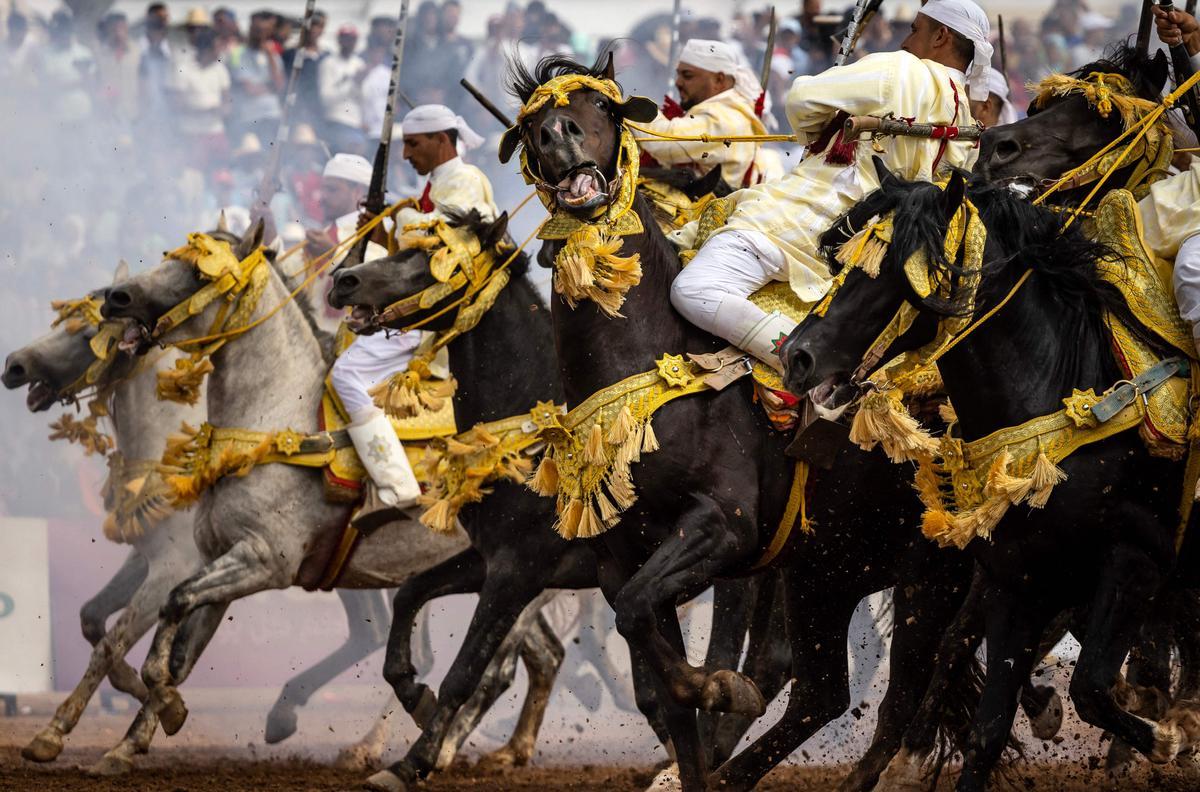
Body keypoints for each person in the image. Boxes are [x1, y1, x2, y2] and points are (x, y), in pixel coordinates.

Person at [669, 0, 989, 381]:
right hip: (859, 251)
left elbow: (802, 99)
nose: (906, 40)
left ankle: (796, 356)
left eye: (915, 29)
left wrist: (822, 128)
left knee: (693, 288)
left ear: (941, 36)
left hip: (795, 224)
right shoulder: (966, 115)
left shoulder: (901, 69)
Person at [320, 153, 422, 530]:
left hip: (404, 325)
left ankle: (395, 487)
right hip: (373, 324)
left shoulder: (399, 223)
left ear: (357, 195)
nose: (323, 196)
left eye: (332, 189)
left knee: (344, 376)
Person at [640, 39, 770, 191]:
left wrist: (629, 108)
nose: (678, 83)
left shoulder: (725, 118)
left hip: (705, 212)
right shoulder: (723, 110)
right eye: (678, 75)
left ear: (719, 80)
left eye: (687, 76)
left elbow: (664, 141)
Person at [391, 104, 496, 229]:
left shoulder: (465, 179)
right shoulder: (437, 181)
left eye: (413, 144)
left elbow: (443, 232)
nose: (405, 154)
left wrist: (402, 215)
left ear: (442, 139)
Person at [166, 27, 231, 175]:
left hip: (216, 131)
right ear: (207, 48)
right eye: (217, 47)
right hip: (192, 133)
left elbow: (227, 101)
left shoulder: (220, 69)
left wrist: (224, 109)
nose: (220, 51)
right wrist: (205, 111)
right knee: (194, 174)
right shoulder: (184, 69)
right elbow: (176, 104)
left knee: (220, 173)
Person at [228, 10, 283, 141]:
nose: (260, 34)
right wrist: (270, 88)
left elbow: (280, 85)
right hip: (251, 116)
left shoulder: (273, 55)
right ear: (251, 28)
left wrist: (270, 57)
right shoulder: (238, 53)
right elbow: (249, 88)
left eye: (264, 30)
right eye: (257, 29)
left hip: (272, 114)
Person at [37, 9, 96, 123]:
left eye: (66, 29)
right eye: (61, 30)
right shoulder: (47, 54)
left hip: (83, 113)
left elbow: (92, 84)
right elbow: (50, 85)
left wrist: (84, 75)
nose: (64, 34)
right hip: (59, 115)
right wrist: (79, 81)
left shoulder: (83, 52)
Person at [317, 24, 366, 155]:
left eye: (352, 39)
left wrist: (358, 85)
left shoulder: (359, 64)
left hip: (356, 123)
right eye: (345, 38)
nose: (348, 43)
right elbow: (326, 97)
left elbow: (363, 98)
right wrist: (351, 84)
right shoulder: (328, 63)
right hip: (336, 121)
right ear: (339, 40)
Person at [280, 9, 327, 129]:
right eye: (312, 24)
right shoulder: (290, 54)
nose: (314, 29)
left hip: (319, 111)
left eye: (319, 26)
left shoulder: (326, 56)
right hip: (295, 110)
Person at [95, 12, 140, 125]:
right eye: (114, 28)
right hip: (108, 116)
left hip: (134, 114)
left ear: (127, 28)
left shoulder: (137, 52)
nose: (118, 32)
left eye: (121, 27)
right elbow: (95, 82)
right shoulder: (100, 54)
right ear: (108, 30)